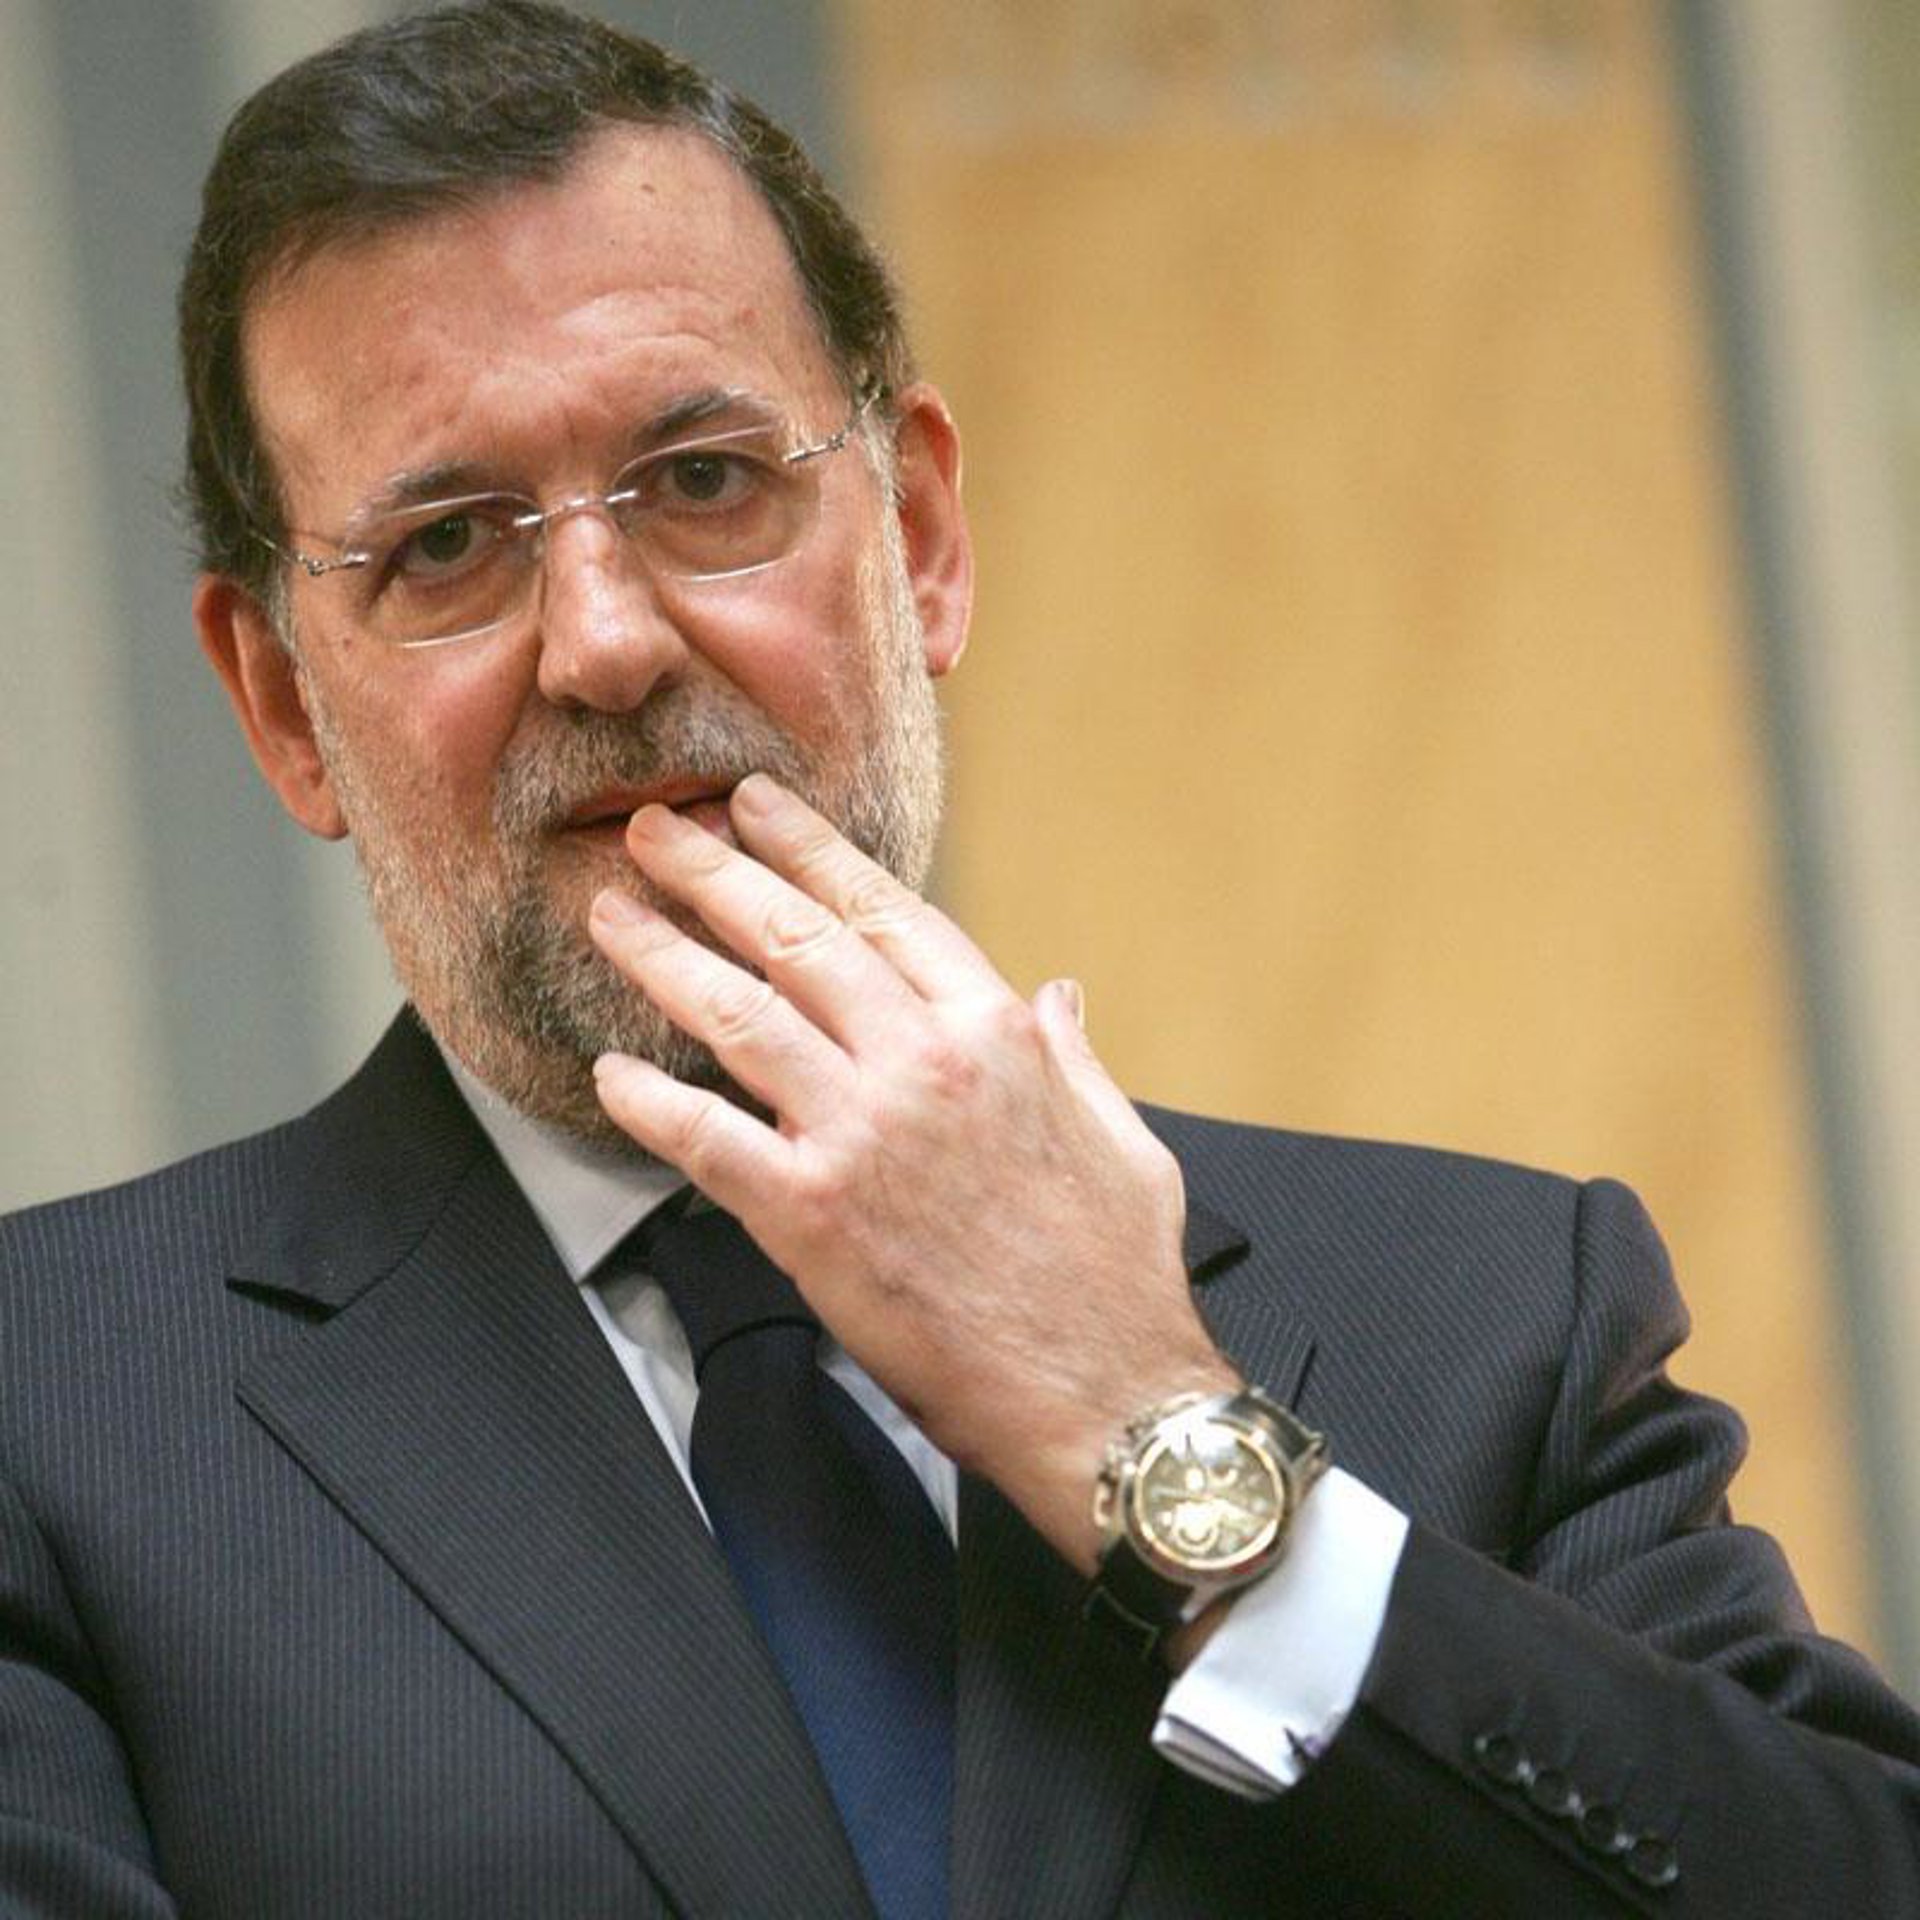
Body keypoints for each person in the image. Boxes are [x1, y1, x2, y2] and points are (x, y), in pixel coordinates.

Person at [2, 2, 1916, 1913]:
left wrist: (1152, 1430)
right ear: (282, 704)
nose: (603, 642)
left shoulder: (1498, 1317)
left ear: (916, 538)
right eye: (444, 546)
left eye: (702, 481)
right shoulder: (52, 1420)